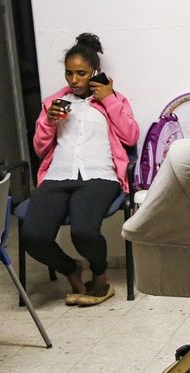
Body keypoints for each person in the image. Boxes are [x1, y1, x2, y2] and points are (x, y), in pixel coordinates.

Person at [21, 33, 139, 306]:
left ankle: (100, 277)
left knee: (84, 232)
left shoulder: (113, 99)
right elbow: (40, 149)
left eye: (81, 73)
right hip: (57, 176)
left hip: (100, 176)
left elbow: (130, 137)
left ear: (95, 73)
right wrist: (49, 123)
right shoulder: (54, 103)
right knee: (33, 235)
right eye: (69, 73)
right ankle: (71, 269)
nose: (74, 80)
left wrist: (108, 99)